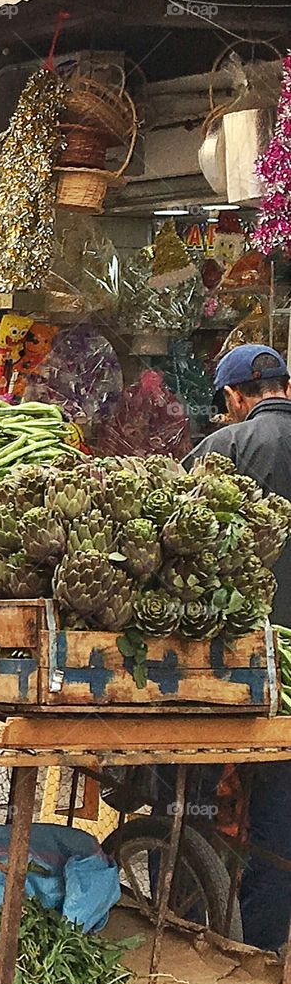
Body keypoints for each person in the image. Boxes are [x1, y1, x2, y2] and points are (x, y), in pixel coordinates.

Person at [177, 344, 291, 952]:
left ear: (233, 398)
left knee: (192, 790)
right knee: (280, 800)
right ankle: (267, 940)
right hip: (290, 676)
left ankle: (188, 919)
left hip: (230, 659)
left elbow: (174, 533)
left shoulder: (228, 448)